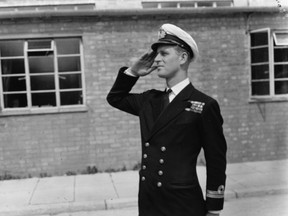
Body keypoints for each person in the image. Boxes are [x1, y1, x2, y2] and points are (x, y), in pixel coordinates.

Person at [107, 23, 227, 216]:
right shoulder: (149, 100)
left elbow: (216, 161)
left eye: (164, 54)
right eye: (157, 54)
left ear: (182, 57)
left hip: (182, 203)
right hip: (149, 201)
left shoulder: (204, 104)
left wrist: (213, 209)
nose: (157, 60)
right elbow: (115, 98)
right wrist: (133, 72)